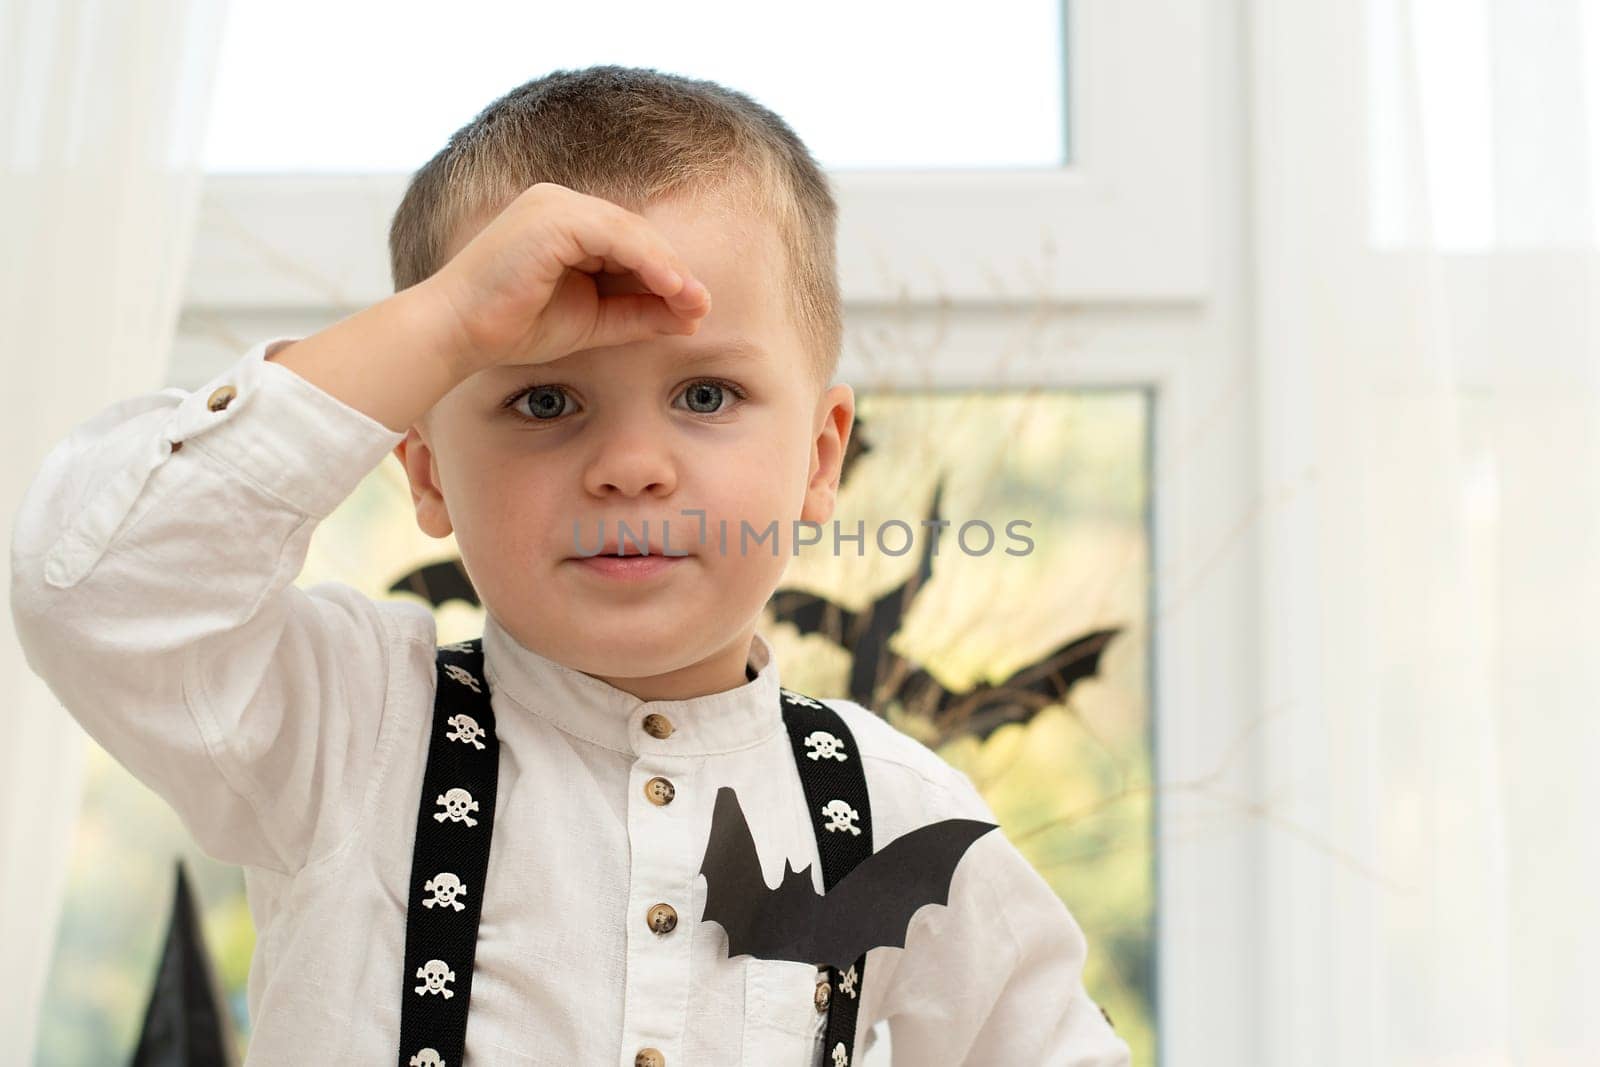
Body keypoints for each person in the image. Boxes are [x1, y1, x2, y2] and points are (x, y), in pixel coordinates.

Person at [9, 65, 1132, 1066]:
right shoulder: (346, 728)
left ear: (819, 456)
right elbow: (99, 587)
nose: (631, 466)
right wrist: (442, 325)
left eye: (705, 395)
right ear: (430, 472)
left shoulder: (895, 813)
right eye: (542, 398)